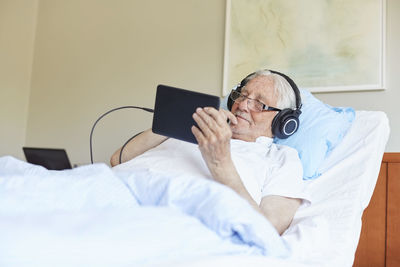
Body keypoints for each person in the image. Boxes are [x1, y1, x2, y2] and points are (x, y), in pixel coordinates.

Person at [110, 69, 307, 235]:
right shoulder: (192, 128)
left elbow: (268, 230)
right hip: (113, 195)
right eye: (242, 95)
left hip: (167, 222)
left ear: (283, 120)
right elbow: (119, 159)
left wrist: (220, 161)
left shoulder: (281, 158)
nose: (242, 105)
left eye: (259, 103)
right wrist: (181, 119)